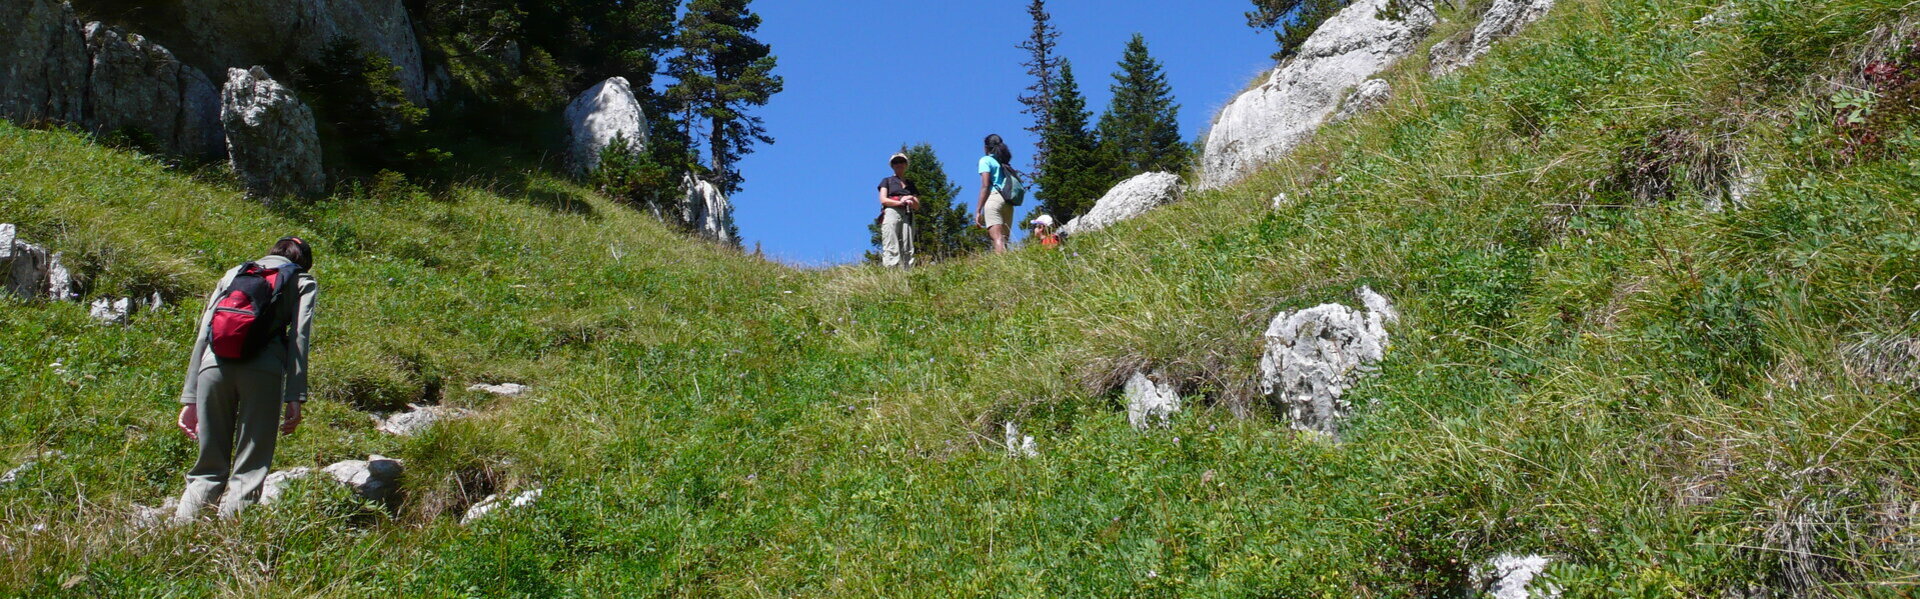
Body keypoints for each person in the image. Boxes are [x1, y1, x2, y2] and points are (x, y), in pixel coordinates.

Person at [173, 237, 318, 522]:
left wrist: (190, 398)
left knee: (207, 466)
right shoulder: (302, 280)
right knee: (249, 469)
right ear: (302, 262)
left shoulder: (235, 273)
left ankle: (180, 539)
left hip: (213, 367)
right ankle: (230, 545)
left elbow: (204, 333)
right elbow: (300, 338)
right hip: (263, 372)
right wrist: (295, 396)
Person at [974, 134, 1017, 253]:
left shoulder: (985, 160)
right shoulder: (1003, 162)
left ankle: (1001, 267)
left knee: (997, 238)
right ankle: (1008, 264)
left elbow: (985, 185)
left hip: (994, 199)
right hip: (1008, 201)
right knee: (1004, 239)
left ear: (986, 147)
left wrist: (978, 210)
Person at [877, 153, 920, 268]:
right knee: (891, 240)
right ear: (892, 165)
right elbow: (883, 200)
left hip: (908, 213)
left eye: (901, 162)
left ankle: (907, 269)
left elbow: (917, 205)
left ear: (906, 164)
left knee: (908, 242)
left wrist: (910, 198)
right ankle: (892, 268)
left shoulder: (910, 185)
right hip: (892, 211)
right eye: (896, 162)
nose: (899, 164)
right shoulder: (887, 181)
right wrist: (901, 202)